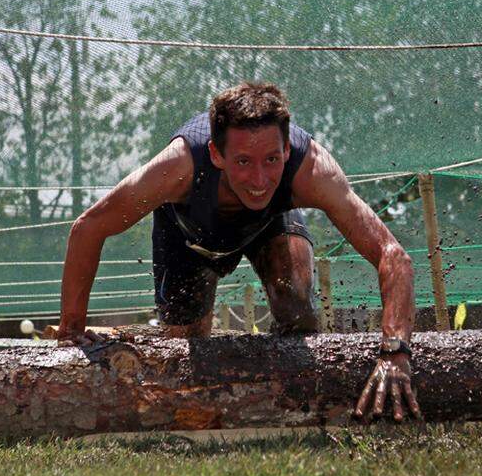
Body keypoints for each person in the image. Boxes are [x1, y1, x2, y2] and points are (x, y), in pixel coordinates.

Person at [57, 82, 421, 422]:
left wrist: (395, 352)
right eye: (244, 162)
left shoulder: (312, 169)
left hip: (269, 228)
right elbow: (89, 228)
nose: (260, 180)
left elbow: (393, 255)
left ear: (286, 151)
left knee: (295, 306)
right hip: (187, 238)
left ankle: (299, 410)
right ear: (216, 153)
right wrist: (72, 329)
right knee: (186, 351)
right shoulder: (177, 166)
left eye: (272, 161)